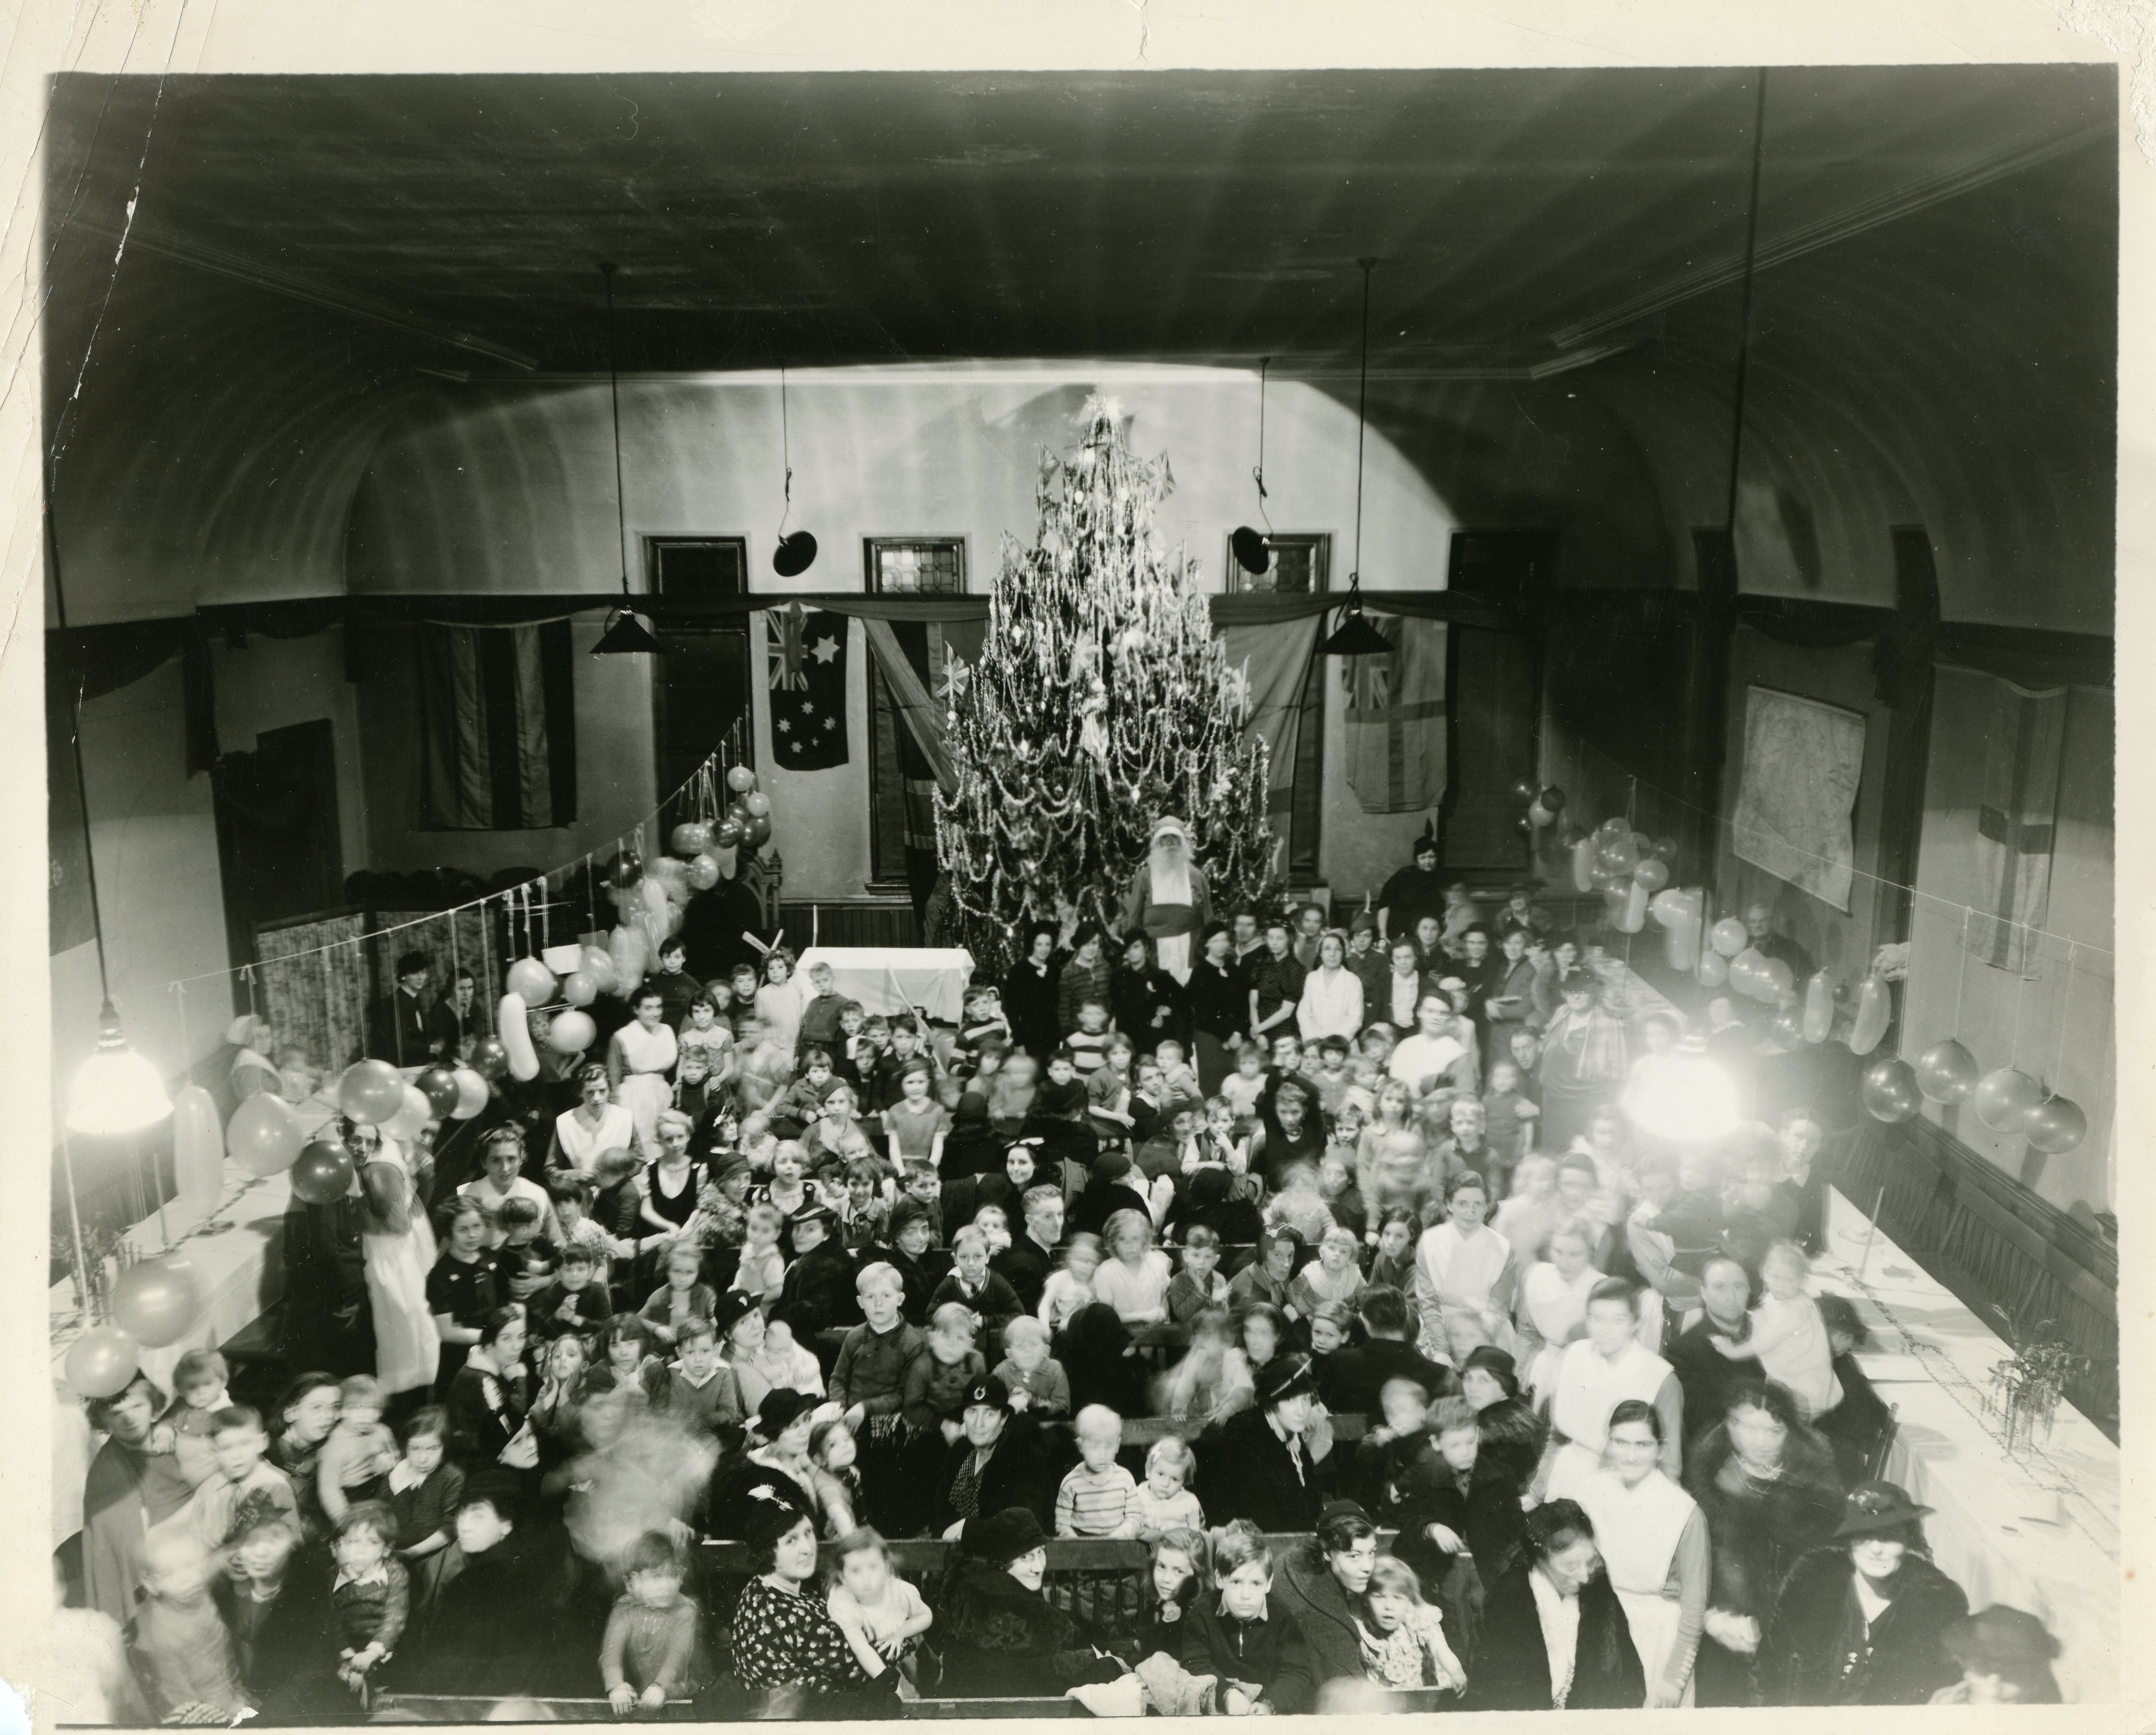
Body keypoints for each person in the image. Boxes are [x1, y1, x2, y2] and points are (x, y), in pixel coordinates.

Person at [1684, 1379, 1845, 1705]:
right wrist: (1712, 1616)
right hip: (1718, 1621)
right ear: (1729, 1421)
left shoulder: (1815, 1484)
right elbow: (1689, 1560)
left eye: (1774, 1431)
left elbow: (1827, 1570)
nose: (1758, 1441)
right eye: (1747, 1426)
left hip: (1792, 1631)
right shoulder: (1705, 1474)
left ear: (1790, 1432)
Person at [1757, 1480, 1969, 1706]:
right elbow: (1767, 1669)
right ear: (1848, 1540)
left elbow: (1941, 1693)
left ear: (1909, 1540)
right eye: (1863, 1535)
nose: (1876, 1549)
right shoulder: (1811, 1578)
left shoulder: (1938, 1602)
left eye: (1890, 1536)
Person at [1577, 1399, 1708, 1707]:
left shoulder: (1684, 1511)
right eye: (1620, 1442)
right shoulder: (1588, 1493)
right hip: (1600, 1625)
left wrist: (1674, 1677)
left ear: (1660, 1449)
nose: (1631, 1455)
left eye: (1642, 1444)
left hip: (1658, 1637)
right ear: (1607, 1443)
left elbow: (1694, 1605)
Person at [1464, 1498, 1646, 1711]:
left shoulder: (1598, 1587)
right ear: (1540, 1560)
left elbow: (1629, 1675)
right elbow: (1489, 1689)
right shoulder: (1509, 1598)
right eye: (1570, 1566)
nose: (1585, 1577)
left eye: (1589, 1562)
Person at [934, 1505, 1130, 1697]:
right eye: (1025, 1557)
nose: (1038, 1567)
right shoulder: (1009, 1616)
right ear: (1001, 1563)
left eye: (1040, 1552)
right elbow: (1054, 1673)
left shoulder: (975, 1593)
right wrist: (1110, 1666)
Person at [731, 1488, 897, 1700]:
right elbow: (861, 1669)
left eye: (808, 1533)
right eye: (791, 1541)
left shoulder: (762, 1590)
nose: (808, 1549)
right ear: (767, 1551)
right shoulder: (787, 1614)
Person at [1535, 1279, 1681, 1502]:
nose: (1606, 1330)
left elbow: (1669, 1465)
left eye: (1618, 1320)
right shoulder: (1574, 1355)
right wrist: (1536, 1493)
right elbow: (1557, 1436)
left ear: (1636, 1322)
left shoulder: (1661, 1377)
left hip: (1624, 1489)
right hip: (1567, 1478)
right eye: (1597, 1319)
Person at [81, 1372, 194, 1625]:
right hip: (165, 1568)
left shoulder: (177, 1435)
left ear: (153, 1404)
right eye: (116, 1413)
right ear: (102, 1420)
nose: (130, 1419)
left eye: (137, 1406)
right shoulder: (106, 1472)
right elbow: (123, 1548)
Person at [1178, 1521, 1318, 1713]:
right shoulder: (1202, 1612)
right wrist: (1227, 1694)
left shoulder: (1282, 1617)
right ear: (1220, 1579)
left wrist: (1270, 1704)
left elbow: (1296, 1672)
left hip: (1266, 1707)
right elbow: (1195, 1663)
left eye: (1256, 1583)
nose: (1246, 1594)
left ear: (1269, 1584)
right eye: (1236, 1582)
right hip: (1219, 1703)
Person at [352, 1116, 442, 1408]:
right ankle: (414, 1386)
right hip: (402, 1244)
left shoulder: (379, 1169)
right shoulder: (393, 1150)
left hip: (392, 1249)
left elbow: (397, 1224)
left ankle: (408, 1392)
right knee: (406, 1319)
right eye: (356, 1140)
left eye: (369, 1140)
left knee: (404, 1317)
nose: (363, 1147)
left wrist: (360, 1213)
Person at [1199, 1354, 1328, 1532]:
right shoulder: (1249, 1443)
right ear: (1272, 1403)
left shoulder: (1290, 1437)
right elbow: (1271, 1519)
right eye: (1290, 1400)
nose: (1301, 1412)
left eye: (1305, 1399)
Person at [1268, 1498, 1381, 1689]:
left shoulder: (1298, 1555)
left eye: (1372, 1553)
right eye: (1354, 1556)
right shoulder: (1320, 1613)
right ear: (1327, 1552)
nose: (1368, 1567)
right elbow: (1354, 1691)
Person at [602, 1530, 713, 1713]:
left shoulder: (685, 1609)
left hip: (688, 1691)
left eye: (672, 1575)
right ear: (634, 1582)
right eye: (656, 1577)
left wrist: (660, 1686)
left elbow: (678, 1656)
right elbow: (610, 1656)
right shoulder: (624, 1609)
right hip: (650, 1693)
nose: (666, 1585)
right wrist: (616, 1686)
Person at [1664, 1255, 1766, 1454]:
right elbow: (1702, 1417)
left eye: (1739, 1287)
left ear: (1748, 1291)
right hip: (1724, 1452)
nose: (1731, 1297)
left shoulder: (1770, 1330)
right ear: (1704, 1292)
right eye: (1720, 1288)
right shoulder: (1683, 1351)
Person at [933, 1374, 1056, 1537]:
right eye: (972, 1412)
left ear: (1004, 1418)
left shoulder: (1024, 1457)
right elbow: (940, 1514)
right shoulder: (960, 1451)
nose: (978, 1424)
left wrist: (969, 1529)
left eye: (989, 1414)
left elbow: (1027, 1525)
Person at [1414, 1171, 1518, 1360]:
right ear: (1449, 1205)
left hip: (1486, 1331)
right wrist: (1442, 1349)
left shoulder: (1504, 1248)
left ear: (1487, 1207)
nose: (1470, 1212)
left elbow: (1498, 1309)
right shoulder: (1430, 1241)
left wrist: (1476, 1345)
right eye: (1462, 1204)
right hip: (1439, 1328)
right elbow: (1428, 1301)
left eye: (1478, 1204)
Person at [1536, 970, 1630, 1156]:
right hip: (1553, 1099)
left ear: (1594, 994)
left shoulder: (1607, 1023)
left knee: (1577, 1152)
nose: (1576, 996)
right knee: (1553, 1148)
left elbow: (1614, 1074)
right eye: (1571, 992)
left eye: (1582, 992)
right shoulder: (1562, 1013)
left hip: (1583, 1104)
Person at [1513, 1219, 1603, 1404]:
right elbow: (1526, 1331)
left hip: (1581, 1370)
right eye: (1558, 1252)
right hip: (1539, 1363)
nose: (1565, 1262)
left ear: (1590, 1253)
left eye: (1575, 1254)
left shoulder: (1599, 1287)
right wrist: (1519, 1372)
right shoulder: (1537, 1275)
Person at [1812, 1293, 1896, 1483]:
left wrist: (1883, 1416)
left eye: (1846, 1337)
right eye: (1831, 1334)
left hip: (1844, 1453)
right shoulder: (1809, 1366)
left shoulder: (1846, 1363)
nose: (1838, 1344)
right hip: (1823, 1459)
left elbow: (1866, 1399)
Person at [1123, 814, 1212, 985]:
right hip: (1155, 954)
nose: (1170, 844)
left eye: (1175, 839)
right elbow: (1133, 918)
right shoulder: (1144, 877)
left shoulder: (1197, 877)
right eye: (1165, 839)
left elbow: (1208, 917)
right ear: (1157, 844)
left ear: (1182, 843)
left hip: (1190, 952)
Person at [1930, 1605, 2064, 1705]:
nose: (1993, 1682)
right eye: (1982, 1666)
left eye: (2012, 1671)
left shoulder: (2048, 1715)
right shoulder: (1945, 1705)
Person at [1184, 920, 1248, 1094]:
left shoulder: (1236, 971)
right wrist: (1227, 1036)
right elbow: (1203, 1013)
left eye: (1224, 940)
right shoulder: (1200, 972)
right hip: (1210, 1037)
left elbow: (1244, 1005)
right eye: (1216, 941)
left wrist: (1237, 1033)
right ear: (1207, 944)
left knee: (1237, 1088)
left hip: (1236, 1037)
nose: (1221, 945)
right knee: (1214, 1088)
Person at [550, 1064, 638, 1180]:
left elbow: (639, 1160)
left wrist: (614, 1177)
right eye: (590, 1092)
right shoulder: (565, 1121)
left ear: (609, 1090)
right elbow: (550, 1169)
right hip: (582, 1187)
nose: (597, 1098)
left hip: (618, 1186)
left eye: (602, 1091)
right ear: (581, 1092)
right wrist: (576, 1175)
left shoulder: (625, 1117)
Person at [1377, 830, 1445, 947]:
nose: (1428, 862)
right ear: (1416, 860)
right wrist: (1383, 935)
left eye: (1432, 857)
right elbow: (1384, 904)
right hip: (1398, 932)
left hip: (1426, 937)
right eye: (1423, 858)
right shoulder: (1404, 875)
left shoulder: (1442, 879)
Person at [1296, 929, 1365, 1044]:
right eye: (1327, 949)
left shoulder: (1352, 981)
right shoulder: (1312, 978)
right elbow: (1303, 1013)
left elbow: (1355, 1018)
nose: (1332, 954)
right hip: (1314, 1041)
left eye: (1338, 949)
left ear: (1343, 954)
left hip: (1341, 1044)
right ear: (1321, 953)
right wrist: (1311, 1038)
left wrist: (1335, 1043)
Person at [373, 950, 435, 1067]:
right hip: (404, 1065)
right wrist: (431, 1048)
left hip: (418, 1061)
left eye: (423, 972)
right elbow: (399, 1043)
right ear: (404, 976)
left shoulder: (413, 997)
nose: (421, 978)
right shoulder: (398, 1002)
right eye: (416, 973)